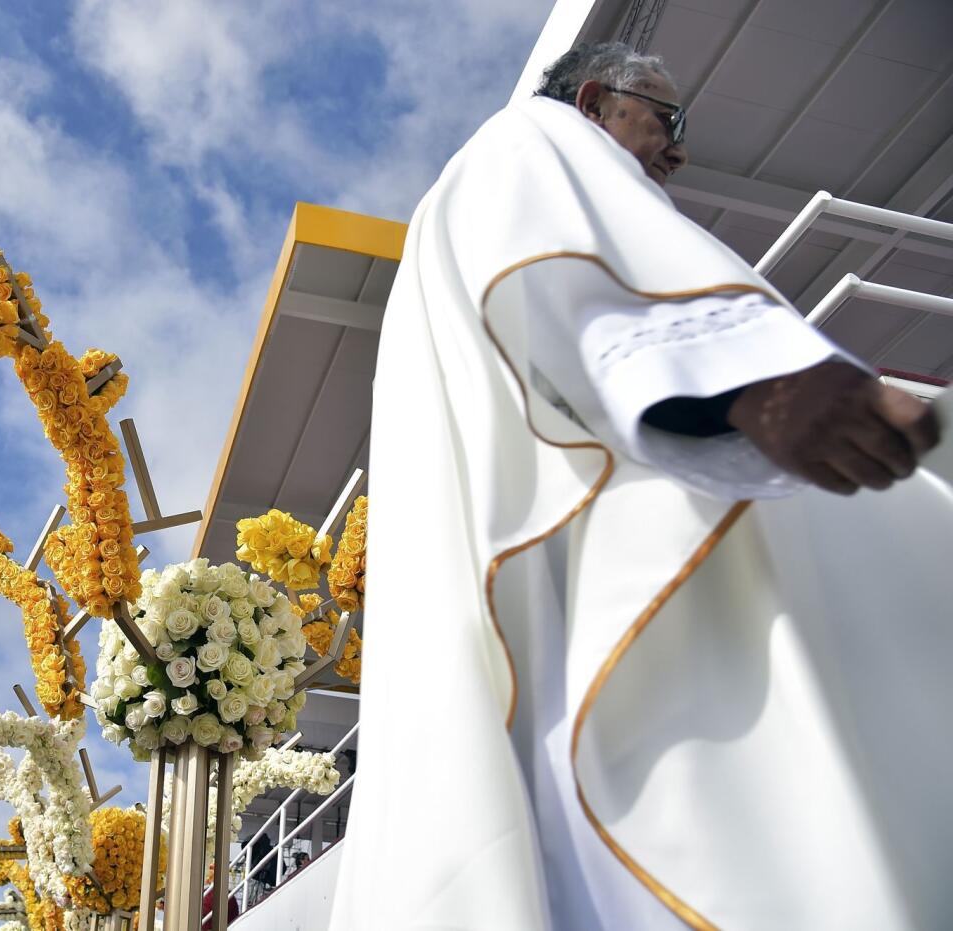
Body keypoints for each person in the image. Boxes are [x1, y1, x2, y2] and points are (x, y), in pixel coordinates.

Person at [331, 41, 953, 930]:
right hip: (629, 578)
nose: (679, 150)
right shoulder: (530, 141)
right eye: (668, 118)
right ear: (595, 101)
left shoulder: (471, 217)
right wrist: (753, 384)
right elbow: (555, 271)